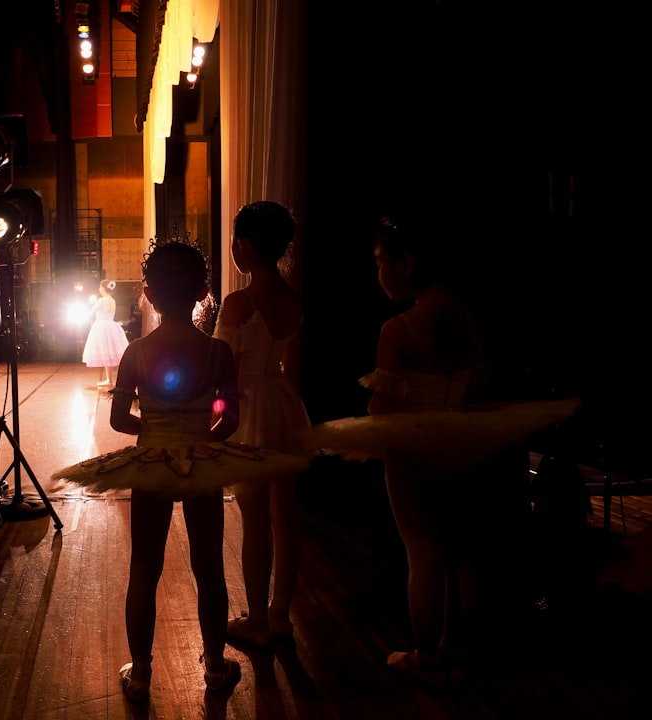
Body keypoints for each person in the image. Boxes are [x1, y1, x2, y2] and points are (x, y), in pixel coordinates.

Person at [302, 216, 580, 687]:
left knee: (423, 551)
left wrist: (376, 403)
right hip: (460, 436)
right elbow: (481, 380)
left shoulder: (398, 329)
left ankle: (426, 655)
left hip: (412, 444)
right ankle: (459, 647)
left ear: (405, 264)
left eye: (379, 264)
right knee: (461, 553)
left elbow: (384, 403)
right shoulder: (466, 317)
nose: (378, 274)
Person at [51, 240, 311, 703]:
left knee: (144, 567)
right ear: (204, 291)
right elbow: (228, 420)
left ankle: (141, 674)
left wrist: (153, 430)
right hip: (199, 462)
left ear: (148, 294)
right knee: (209, 566)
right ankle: (213, 666)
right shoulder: (215, 353)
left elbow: (117, 421)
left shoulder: (135, 353)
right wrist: (202, 441)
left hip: (152, 461)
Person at [213, 201, 312, 649]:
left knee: (254, 521)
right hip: (284, 405)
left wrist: (213, 413)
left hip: (248, 407)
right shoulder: (293, 300)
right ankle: (280, 616)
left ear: (246, 245)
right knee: (286, 516)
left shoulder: (238, 303)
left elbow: (223, 370)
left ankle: (255, 620)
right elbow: (290, 366)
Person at [81, 278, 130, 387]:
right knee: (108, 353)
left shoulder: (101, 300)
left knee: (105, 352)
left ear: (103, 288)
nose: (99, 288)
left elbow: (91, 313)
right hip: (111, 326)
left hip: (101, 326)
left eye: (100, 287)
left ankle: (109, 379)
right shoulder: (113, 300)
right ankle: (109, 379)